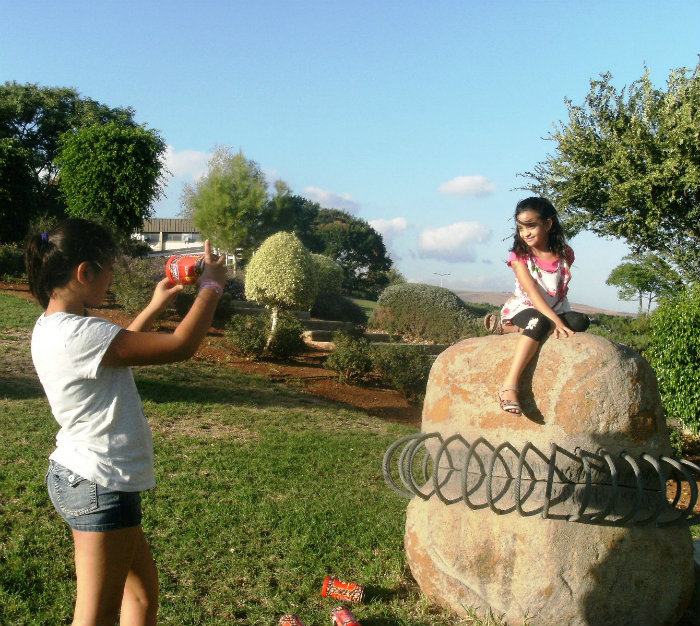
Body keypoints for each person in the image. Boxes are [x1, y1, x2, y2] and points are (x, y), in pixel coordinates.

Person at [25, 218, 227, 626]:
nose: (113, 277)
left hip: (86, 477)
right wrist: (212, 286)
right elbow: (181, 346)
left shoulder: (55, 327)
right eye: (110, 268)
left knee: (142, 598)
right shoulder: (80, 334)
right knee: (95, 618)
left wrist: (156, 305)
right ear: (85, 273)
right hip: (100, 485)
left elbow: (119, 351)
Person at [483, 197, 589, 415]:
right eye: (521, 228)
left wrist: (559, 317)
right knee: (539, 322)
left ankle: (512, 329)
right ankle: (509, 387)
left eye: (531, 225)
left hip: (556, 308)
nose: (526, 233)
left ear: (548, 224)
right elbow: (532, 292)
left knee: (580, 321)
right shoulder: (520, 257)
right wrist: (556, 321)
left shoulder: (565, 254)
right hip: (526, 307)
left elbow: (558, 290)